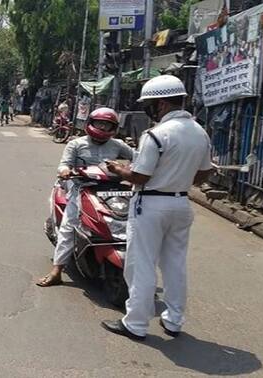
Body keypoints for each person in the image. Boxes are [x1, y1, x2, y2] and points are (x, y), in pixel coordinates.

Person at [101, 75, 213, 341]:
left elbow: (140, 176)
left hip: (150, 204)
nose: (150, 109)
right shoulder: (200, 133)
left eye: (150, 104)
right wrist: (180, 176)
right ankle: (174, 320)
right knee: (174, 264)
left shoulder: (156, 134)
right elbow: (204, 174)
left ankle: (136, 323)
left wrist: (118, 168)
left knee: (141, 264)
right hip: (181, 203)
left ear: (161, 103)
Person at [36, 107, 134, 287]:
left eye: (107, 125)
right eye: (100, 123)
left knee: (132, 222)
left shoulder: (117, 145)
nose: (103, 128)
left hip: (111, 190)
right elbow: (64, 164)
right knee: (69, 225)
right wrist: (65, 171)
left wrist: (130, 169)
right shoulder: (76, 144)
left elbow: (138, 158)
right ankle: (57, 270)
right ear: (91, 123)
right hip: (81, 187)